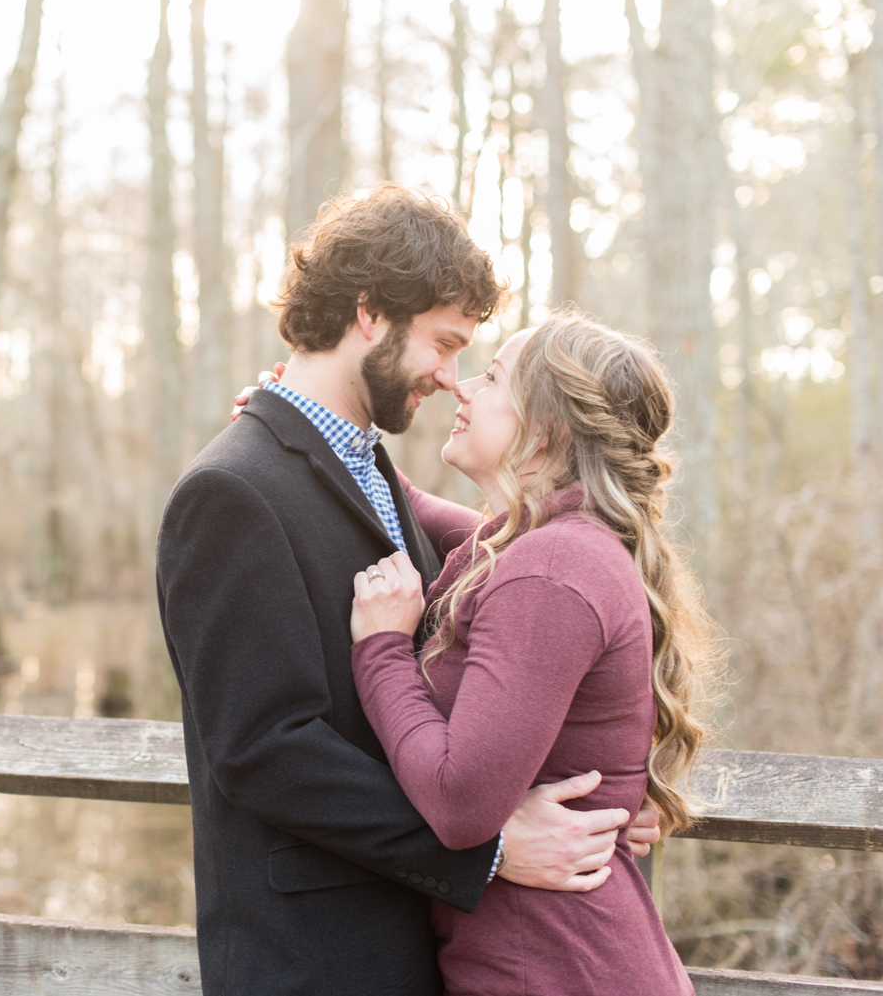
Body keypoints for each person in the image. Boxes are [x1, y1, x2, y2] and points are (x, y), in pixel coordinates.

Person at [156, 185, 659, 996]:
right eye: (444, 342)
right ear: (369, 313)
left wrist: (614, 780)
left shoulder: (377, 478)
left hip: (430, 947)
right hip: (320, 960)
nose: (451, 378)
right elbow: (262, 747)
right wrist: (489, 846)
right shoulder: (234, 492)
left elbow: (531, 578)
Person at [348, 313, 721, 995]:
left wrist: (380, 650)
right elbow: (448, 523)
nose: (462, 388)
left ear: (546, 429)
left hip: (562, 974)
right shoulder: (552, 546)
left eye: (491, 377)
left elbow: (461, 804)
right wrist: (331, 440)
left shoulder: (550, 568)